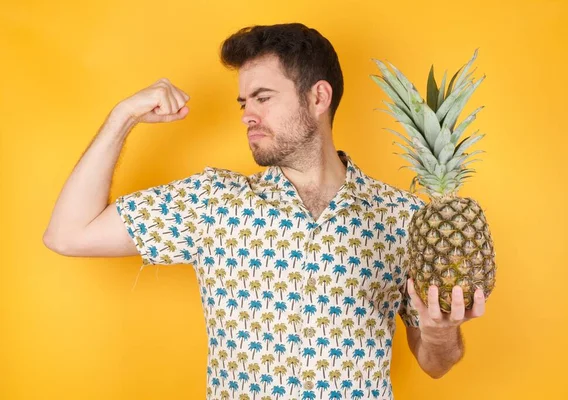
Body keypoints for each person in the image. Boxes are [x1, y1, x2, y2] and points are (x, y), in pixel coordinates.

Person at [43, 23, 485, 400]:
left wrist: (441, 332)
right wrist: (124, 115)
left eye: (262, 97)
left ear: (318, 97)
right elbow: (68, 234)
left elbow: (435, 365)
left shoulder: (405, 218)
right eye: (243, 103)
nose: (247, 115)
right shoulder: (212, 201)